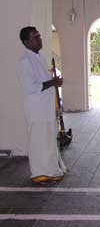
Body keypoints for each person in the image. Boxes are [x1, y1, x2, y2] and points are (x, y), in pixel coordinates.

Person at [18, 26, 66, 184]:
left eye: (39, 36)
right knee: (38, 141)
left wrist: (54, 84)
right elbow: (30, 87)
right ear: (26, 42)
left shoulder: (40, 57)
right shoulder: (25, 61)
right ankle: (38, 173)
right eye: (35, 37)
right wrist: (53, 82)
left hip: (45, 108)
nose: (39, 40)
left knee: (48, 139)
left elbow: (44, 82)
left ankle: (51, 170)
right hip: (36, 109)